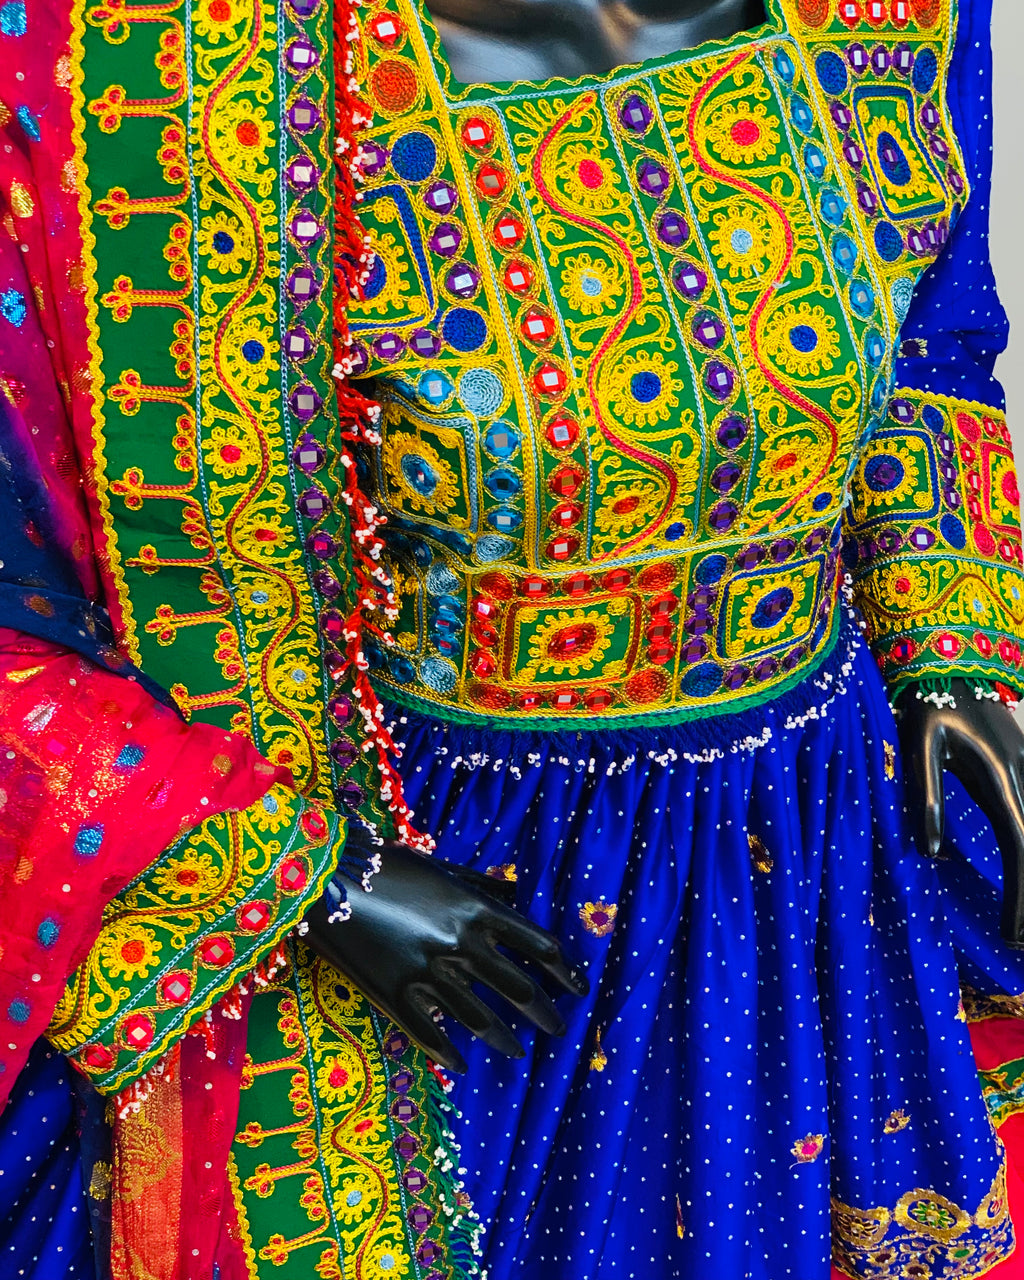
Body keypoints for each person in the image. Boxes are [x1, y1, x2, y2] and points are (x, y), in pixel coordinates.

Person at [3, 0, 1024, 1277]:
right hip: (458, 925)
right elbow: (23, 606)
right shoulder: (145, 82)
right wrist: (299, 872)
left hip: (810, 868)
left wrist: (955, 647)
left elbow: (930, 328)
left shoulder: (891, 18)